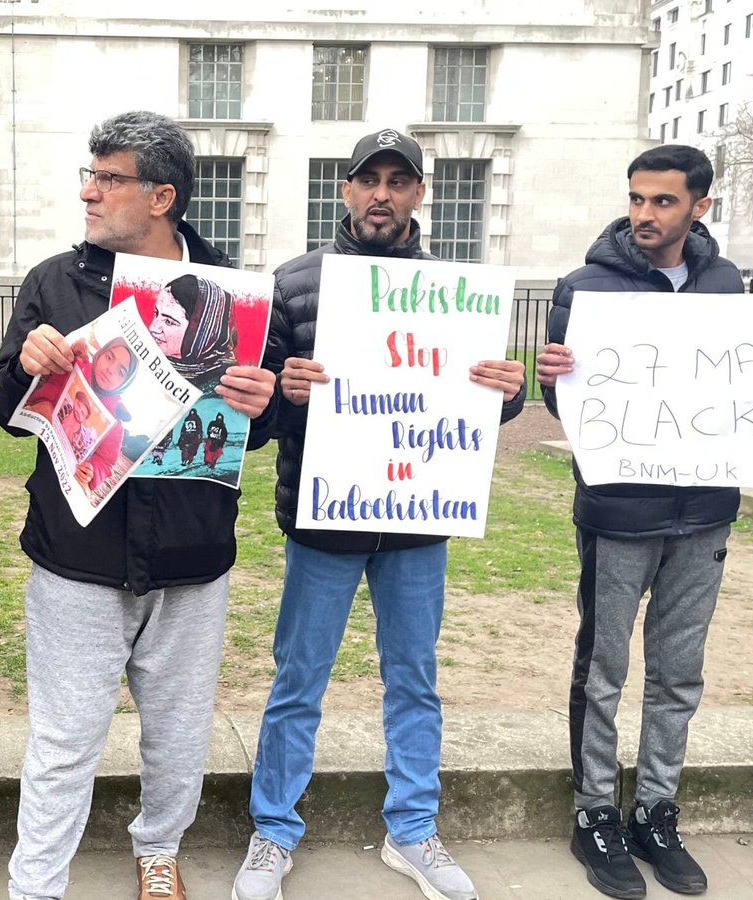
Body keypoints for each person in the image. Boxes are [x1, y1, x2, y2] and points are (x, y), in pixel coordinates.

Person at [231, 126, 527, 900]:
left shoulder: (456, 293)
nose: (382, 195)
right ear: (346, 189)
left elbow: (465, 413)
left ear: (419, 195)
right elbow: (253, 421)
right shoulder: (294, 284)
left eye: (399, 182)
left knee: (415, 680)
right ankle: (273, 832)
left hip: (417, 524)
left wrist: (510, 390)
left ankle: (413, 830)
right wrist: (283, 400)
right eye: (369, 180)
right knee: (299, 678)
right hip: (325, 521)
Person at [0, 110, 280, 900]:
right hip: (76, 554)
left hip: (192, 559)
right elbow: (3, 411)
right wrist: (25, 366)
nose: (88, 192)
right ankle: (37, 884)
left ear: (162, 196)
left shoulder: (240, 295)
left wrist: (268, 404)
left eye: (107, 178)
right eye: (89, 175)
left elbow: (259, 430)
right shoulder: (56, 281)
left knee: (179, 735)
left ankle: (159, 850)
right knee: (63, 740)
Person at [534, 145, 743, 899]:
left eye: (663, 202)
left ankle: (656, 810)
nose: (646, 215)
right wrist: (554, 380)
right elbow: (566, 407)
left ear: (699, 206)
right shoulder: (585, 287)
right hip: (620, 513)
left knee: (678, 673)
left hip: (707, 512)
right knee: (604, 667)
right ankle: (594, 813)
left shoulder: (727, 284)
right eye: (637, 199)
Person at [149, 272, 237, 387]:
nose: (153, 328)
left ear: (204, 331)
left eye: (169, 322)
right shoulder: (140, 362)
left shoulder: (226, 383)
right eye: (156, 314)